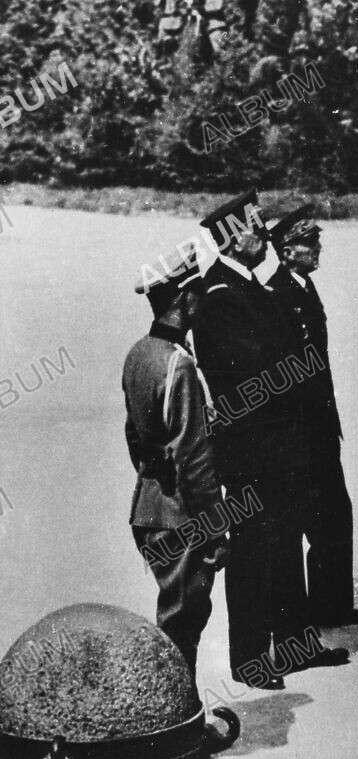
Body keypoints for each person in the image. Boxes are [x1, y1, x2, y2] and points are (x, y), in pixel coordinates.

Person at [192, 189, 340, 688]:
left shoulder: (251, 287)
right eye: (257, 229)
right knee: (255, 552)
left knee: (285, 543)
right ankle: (252, 659)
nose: (265, 236)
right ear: (236, 239)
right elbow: (254, 373)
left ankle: (296, 646)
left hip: (280, 445)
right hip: (253, 450)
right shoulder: (220, 297)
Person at [122, 243, 229, 674]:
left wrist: (156, 473)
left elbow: (133, 435)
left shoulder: (138, 353)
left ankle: (182, 708)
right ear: (186, 300)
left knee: (177, 617)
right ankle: (176, 712)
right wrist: (216, 530)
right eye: (198, 295)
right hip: (182, 517)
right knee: (183, 622)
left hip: (149, 508)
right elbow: (195, 458)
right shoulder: (178, 364)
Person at [265, 205, 358, 629]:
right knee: (319, 518)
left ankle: (333, 605)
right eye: (309, 242)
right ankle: (322, 609)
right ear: (287, 251)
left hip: (321, 427)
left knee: (335, 516)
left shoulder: (304, 288)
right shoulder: (279, 295)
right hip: (302, 433)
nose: (317, 248)